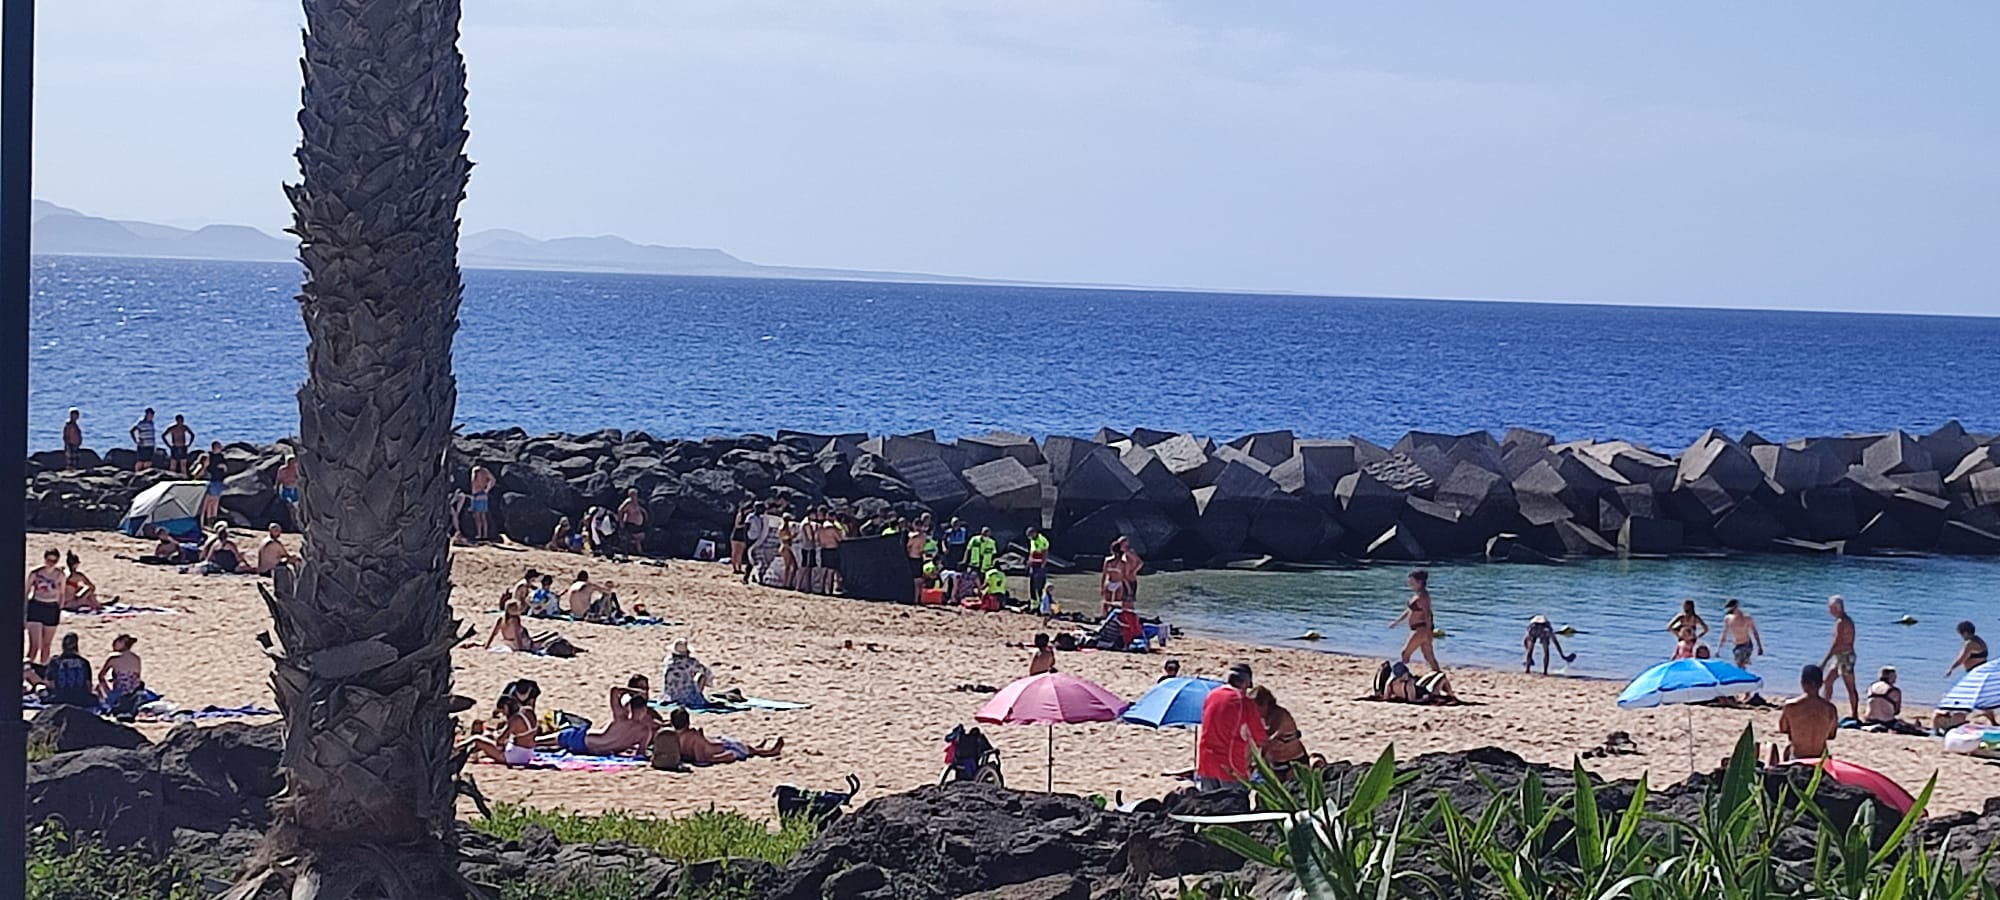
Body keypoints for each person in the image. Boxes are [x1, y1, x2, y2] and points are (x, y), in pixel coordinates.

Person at [547, 676, 663, 757]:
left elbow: (640, 754)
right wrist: (636, 692)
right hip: (582, 739)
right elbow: (614, 690)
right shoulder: (622, 717)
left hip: (592, 749)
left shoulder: (644, 730)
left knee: (545, 746)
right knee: (538, 742)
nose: (645, 691)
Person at [1195, 663, 1267, 790]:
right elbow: (1259, 737)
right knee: (1234, 805)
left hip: (1206, 761)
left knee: (1209, 803)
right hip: (1230, 765)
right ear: (1246, 683)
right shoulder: (1244, 702)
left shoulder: (1212, 695)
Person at [670, 707, 783, 765]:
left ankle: (757, 748)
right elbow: (702, 759)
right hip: (720, 749)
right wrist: (723, 757)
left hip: (716, 745)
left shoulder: (673, 736)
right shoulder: (693, 736)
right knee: (745, 749)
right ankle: (768, 752)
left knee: (744, 746)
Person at [1775, 664, 1840, 762]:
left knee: (1787, 749)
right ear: (1821, 684)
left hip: (1798, 757)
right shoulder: (1830, 709)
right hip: (1820, 759)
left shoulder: (1791, 706)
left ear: (1802, 683)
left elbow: (1783, 729)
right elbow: (1831, 735)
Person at [460, 694, 537, 766]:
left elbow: (500, 740)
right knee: (488, 738)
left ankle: (456, 749)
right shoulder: (528, 711)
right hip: (527, 754)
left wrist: (494, 735)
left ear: (506, 707)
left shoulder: (515, 720)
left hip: (515, 757)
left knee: (477, 739)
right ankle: (466, 753)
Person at [1388, 569, 1441, 672]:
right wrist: (1397, 621)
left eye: (1412, 582)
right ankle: (1440, 678)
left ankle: (1403, 676)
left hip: (1421, 629)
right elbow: (1409, 610)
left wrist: (1429, 631)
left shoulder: (1424, 596)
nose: (1410, 584)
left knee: (1405, 653)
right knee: (1429, 657)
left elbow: (1428, 614)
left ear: (1419, 582)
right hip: (1418, 629)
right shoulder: (1417, 594)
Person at [1250, 686, 1307, 778]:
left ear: (1265, 704)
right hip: (1275, 762)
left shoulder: (1280, 715)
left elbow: (1268, 741)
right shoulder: (1262, 717)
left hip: (1292, 760)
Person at [1820, 595, 1860, 721]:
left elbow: (1837, 644)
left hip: (1845, 656)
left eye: (1831, 608)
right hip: (1839, 657)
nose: (1830, 611)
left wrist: (1824, 662)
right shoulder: (1842, 621)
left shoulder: (1843, 622)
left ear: (1838, 608)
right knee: (1827, 681)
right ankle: (1825, 708)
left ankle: (1855, 714)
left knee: (1850, 686)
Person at [24, 549, 66, 666]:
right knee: (35, 645)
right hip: (36, 606)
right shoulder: (35, 573)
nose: (51, 563)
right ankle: (26, 670)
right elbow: (26, 592)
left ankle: (43, 671)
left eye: (54, 560)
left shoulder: (60, 575)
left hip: (51, 608)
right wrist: (25, 611)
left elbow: (62, 593)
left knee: (46, 645)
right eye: (49, 560)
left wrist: (59, 608)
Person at [44, 633, 98, 708]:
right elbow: (88, 685)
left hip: (60, 697)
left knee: (40, 689)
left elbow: (50, 684)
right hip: (80, 698)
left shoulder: (55, 661)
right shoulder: (83, 662)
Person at [97, 634, 145, 717]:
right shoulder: (136, 658)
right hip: (134, 694)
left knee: (98, 688)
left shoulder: (114, 659)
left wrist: (108, 691)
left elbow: (101, 676)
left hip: (120, 695)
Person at [661, 639, 714, 709]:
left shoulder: (668, 661)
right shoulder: (691, 663)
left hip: (670, 696)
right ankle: (698, 695)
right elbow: (706, 672)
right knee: (701, 676)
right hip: (688, 698)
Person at [1720, 599, 1763, 670]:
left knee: (1740, 665)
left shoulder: (1747, 618)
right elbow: (1724, 633)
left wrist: (1759, 646)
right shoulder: (1728, 619)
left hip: (1746, 644)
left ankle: (1744, 678)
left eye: (1734, 607)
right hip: (1736, 645)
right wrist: (1719, 648)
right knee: (1740, 665)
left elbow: (1755, 632)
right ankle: (1745, 678)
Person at [814, 507, 844, 595]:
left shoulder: (820, 529)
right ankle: (829, 590)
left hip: (824, 549)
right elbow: (839, 539)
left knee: (824, 570)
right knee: (831, 571)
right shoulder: (833, 529)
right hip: (832, 549)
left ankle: (821, 588)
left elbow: (817, 540)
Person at [196, 448, 227, 527]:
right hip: (203, 489)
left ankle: (211, 521)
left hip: (210, 485)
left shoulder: (211, 468)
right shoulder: (201, 468)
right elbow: (197, 476)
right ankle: (202, 524)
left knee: (213, 503)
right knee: (204, 507)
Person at [468, 465, 495, 542]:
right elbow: (493, 480)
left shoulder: (477, 470)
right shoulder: (484, 471)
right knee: (481, 516)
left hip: (478, 494)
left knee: (479, 516)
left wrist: (486, 489)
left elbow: (473, 483)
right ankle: (483, 534)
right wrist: (487, 489)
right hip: (481, 494)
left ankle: (481, 534)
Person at [1098, 543, 1126, 616]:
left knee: (1116, 603)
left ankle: (1113, 618)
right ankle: (1104, 617)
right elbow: (1104, 574)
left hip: (1119, 584)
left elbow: (1125, 576)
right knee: (1106, 603)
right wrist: (1102, 587)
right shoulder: (1108, 560)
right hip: (1110, 582)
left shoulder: (1123, 562)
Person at [729, 502, 755, 581]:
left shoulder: (749, 517)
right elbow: (737, 525)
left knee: (740, 552)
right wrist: (745, 525)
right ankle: (734, 568)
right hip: (736, 535)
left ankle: (739, 568)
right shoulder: (740, 515)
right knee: (735, 552)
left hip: (743, 536)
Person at [618, 488, 647, 554]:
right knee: (636, 538)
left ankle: (637, 551)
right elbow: (620, 510)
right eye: (632, 494)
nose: (634, 496)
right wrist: (621, 521)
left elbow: (639, 509)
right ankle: (640, 552)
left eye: (635, 494)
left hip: (639, 524)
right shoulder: (628, 502)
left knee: (641, 537)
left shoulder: (636, 502)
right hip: (631, 523)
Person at [1026, 526, 1051, 602]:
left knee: (1039, 583)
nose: (1030, 537)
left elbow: (1045, 553)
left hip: (1039, 565)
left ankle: (1041, 600)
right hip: (1033, 564)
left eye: (1030, 535)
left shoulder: (1042, 540)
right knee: (1032, 583)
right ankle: (1033, 600)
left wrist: (1043, 564)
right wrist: (1029, 561)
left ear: (1034, 533)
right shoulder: (1032, 540)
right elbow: (1032, 552)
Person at [129, 408, 157, 472]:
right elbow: (132, 431)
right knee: (140, 461)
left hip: (150, 445)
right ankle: (137, 473)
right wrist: (136, 441)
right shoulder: (141, 423)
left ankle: (145, 473)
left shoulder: (151, 423)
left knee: (148, 462)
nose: (152, 417)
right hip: (143, 445)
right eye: (150, 415)